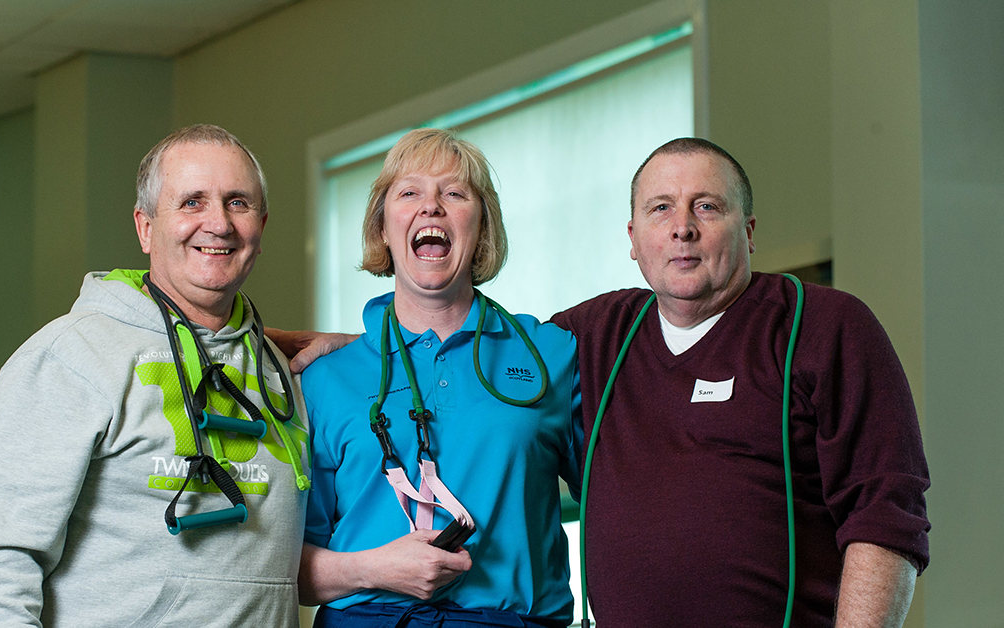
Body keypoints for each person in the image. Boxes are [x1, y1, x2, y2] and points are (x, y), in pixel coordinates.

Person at [548, 138, 930, 627]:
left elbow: (885, 515)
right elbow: (475, 374)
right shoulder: (593, 336)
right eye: (660, 209)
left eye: (706, 207)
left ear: (748, 231)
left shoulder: (824, 325)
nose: (682, 228)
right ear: (632, 236)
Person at [0, 124, 311, 627]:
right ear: (145, 227)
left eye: (238, 203)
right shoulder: (69, 356)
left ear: (262, 226)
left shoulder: (279, 369)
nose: (219, 223)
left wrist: (355, 344)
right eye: (192, 203)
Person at [297, 128, 583, 627]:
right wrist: (374, 568)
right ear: (383, 228)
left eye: (454, 193)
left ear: (482, 227)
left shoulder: (551, 355)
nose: (432, 207)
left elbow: (625, 496)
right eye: (409, 192)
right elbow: (286, 569)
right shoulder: (326, 379)